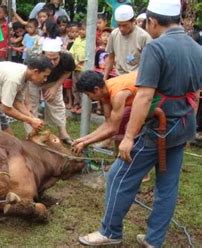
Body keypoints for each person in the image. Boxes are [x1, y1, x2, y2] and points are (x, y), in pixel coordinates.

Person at [79, 0, 202, 246]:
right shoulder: (196, 47)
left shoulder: (156, 48)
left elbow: (144, 96)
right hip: (185, 124)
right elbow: (196, 93)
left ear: (153, 21)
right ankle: (154, 239)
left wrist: (128, 137)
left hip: (161, 126)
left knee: (117, 176)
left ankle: (110, 232)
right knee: (167, 185)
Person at [72, 71, 137, 154]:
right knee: (119, 123)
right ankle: (119, 160)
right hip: (135, 99)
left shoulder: (117, 95)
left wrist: (85, 143)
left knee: (126, 127)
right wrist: (83, 139)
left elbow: (113, 129)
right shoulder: (104, 91)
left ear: (96, 90)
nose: (89, 98)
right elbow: (108, 123)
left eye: (88, 94)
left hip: (152, 96)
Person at [25, 38, 75, 144]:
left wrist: (56, 87)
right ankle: (31, 134)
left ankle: (62, 133)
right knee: (31, 106)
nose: (52, 62)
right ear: (42, 54)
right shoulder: (33, 57)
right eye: (49, 59)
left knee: (56, 105)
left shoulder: (67, 58)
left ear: (60, 54)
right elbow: (26, 76)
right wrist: (27, 98)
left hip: (53, 82)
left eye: (55, 59)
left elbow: (68, 71)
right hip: (33, 82)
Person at [103, 4, 152, 80]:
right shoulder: (114, 34)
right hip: (118, 77)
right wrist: (104, 80)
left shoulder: (144, 37)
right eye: (119, 25)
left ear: (134, 21)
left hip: (136, 79)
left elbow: (149, 64)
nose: (121, 29)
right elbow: (111, 59)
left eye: (125, 25)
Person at [69, 22, 86, 114]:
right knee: (75, 87)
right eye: (80, 29)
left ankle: (84, 106)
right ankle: (77, 104)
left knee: (83, 88)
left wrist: (79, 62)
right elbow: (72, 51)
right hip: (75, 68)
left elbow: (86, 55)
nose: (81, 31)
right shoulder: (77, 39)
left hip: (83, 69)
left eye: (83, 29)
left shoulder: (90, 40)